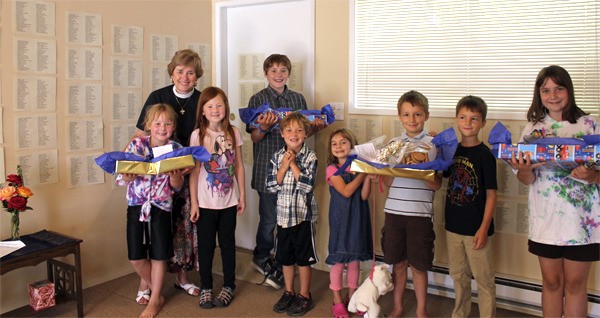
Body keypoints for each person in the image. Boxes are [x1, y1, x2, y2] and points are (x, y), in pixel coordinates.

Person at [510, 65, 599, 317]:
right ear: (539, 95)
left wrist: (593, 175)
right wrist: (523, 169)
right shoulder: (533, 130)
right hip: (546, 220)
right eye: (546, 90)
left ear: (568, 89)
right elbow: (526, 179)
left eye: (559, 88)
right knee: (550, 283)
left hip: (582, 223)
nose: (553, 95)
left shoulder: (591, 125)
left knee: (575, 285)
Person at [246, 53, 324, 289]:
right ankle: (261, 256)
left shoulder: (298, 100)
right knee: (269, 220)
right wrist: (264, 126)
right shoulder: (257, 99)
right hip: (268, 169)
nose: (278, 75)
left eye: (282, 70)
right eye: (273, 71)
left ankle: (284, 261)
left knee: (292, 220)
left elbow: (304, 133)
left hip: (296, 171)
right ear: (266, 74)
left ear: (289, 73)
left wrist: (318, 128)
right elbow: (255, 137)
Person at [133, 49, 204, 301]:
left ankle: (182, 278)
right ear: (172, 72)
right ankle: (147, 282)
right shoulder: (158, 96)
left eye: (190, 72)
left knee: (182, 226)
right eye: (180, 71)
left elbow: (206, 136)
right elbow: (143, 133)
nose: (185, 76)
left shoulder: (201, 99)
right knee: (155, 228)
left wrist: (191, 164)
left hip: (188, 168)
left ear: (197, 76)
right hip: (154, 177)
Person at [117, 103, 186, 318]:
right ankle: (155, 288)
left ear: (173, 126)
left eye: (167, 123)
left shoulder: (175, 149)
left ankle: (155, 298)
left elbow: (177, 186)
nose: (162, 128)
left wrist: (176, 177)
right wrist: (127, 177)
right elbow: (121, 177)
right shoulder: (136, 145)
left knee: (159, 255)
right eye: (157, 123)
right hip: (136, 205)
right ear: (148, 125)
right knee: (136, 257)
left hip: (161, 206)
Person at [381, 90, 442, 318]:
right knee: (398, 263)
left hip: (420, 214)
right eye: (406, 115)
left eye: (417, 114)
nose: (412, 119)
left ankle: (421, 310)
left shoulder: (432, 144)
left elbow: (436, 185)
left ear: (426, 115)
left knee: (419, 265)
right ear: (399, 117)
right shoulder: (394, 144)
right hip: (394, 213)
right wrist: (385, 165)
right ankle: (397, 307)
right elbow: (388, 182)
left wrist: (423, 171)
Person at [189, 87, 246, 309]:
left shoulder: (234, 132)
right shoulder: (197, 135)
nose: (215, 110)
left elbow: (239, 165)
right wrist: (194, 202)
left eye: (219, 105)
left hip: (229, 201)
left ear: (226, 107)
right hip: (204, 203)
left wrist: (241, 195)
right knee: (205, 247)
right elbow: (194, 171)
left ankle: (229, 285)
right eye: (210, 106)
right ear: (202, 111)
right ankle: (206, 286)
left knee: (228, 244)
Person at [443, 96, 497, 317]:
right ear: (456, 119)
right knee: (458, 277)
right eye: (463, 117)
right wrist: (435, 147)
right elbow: (440, 175)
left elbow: (492, 195)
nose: (468, 122)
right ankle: (459, 314)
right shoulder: (452, 151)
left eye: (474, 118)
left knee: (484, 280)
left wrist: (483, 228)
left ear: (483, 122)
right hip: (453, 228)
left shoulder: (485, 155)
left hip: (477, 230)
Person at [266, 112, 318, 316]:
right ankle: (289, 292)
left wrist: (293, 164)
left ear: (306, 134)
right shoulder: (277, 157)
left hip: (303, 217)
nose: (293, 134)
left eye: (299, 130)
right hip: (283, 218)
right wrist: (284, 165)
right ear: (281, 133)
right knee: (285, 258)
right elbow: (271, 185)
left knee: (304, 259)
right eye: (289, 130)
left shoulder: (310, 157)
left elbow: (307, 186)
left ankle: (305, 295)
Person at [325, 128, 374, 318]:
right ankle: (337, 300)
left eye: (343, 142)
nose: (338, 146)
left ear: (352, 146)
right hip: (340, 221)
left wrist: (368, 177)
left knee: (354, 263)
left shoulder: (358, 166)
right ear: (330, 149)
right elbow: (346, 191)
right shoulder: (331, 169)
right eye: (334, 143)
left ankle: (353, 298)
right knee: (338, 262)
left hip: (357, 219)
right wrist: (363, 173)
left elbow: (363, 196)